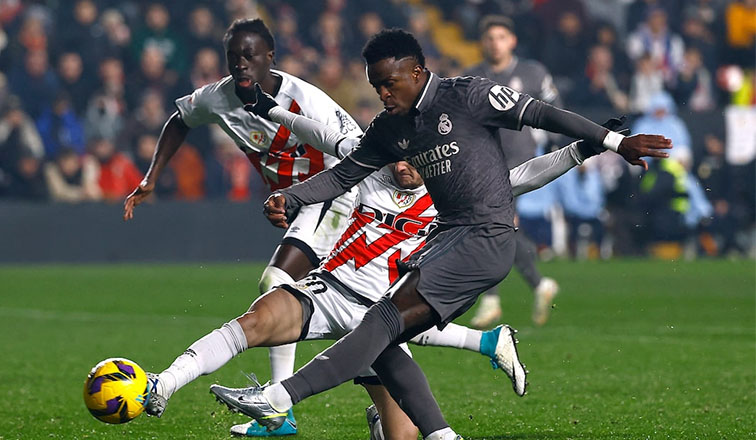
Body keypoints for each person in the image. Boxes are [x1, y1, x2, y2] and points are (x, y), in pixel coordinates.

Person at [213, 29, 671, 440]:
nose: (383, 93)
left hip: (485, 238)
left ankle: (278, 398)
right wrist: (291, 196)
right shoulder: (390, 128)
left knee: (379, 323)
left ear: (417, 72)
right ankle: (441, 434)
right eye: (376, 86)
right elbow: (341, 171)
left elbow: (540, 114)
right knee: (383, 343)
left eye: (390, 83)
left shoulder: (469, 96)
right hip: (446, 240)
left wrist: (608, 143)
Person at [149, 87, 614, 439]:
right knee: (254, 319)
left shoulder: (456, 189)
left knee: (403, 434)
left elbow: (525, 176)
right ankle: (163, 385)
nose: (404, 165)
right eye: (400, 157)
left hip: (385, 320)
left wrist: (581, 149)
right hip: (330, 290)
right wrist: (272, 111)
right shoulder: (371, 161)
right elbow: (320, 133)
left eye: (414, 159)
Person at [122, 18, 363, 435]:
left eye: (249, 56)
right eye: (233, 57)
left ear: (270, 56)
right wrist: (151, 177)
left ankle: (277, 407)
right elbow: (180, 119)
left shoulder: (306, 100)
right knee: (366, 313)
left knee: (279, 283)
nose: (241, 64)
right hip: (298, 205)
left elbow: (354, 154)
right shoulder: (218, 97)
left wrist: (300, 198)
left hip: (339, 195)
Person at [464, 15, 563, 327]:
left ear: (513, 41)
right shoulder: (471, 77)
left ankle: (491, 299)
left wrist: (556, 143)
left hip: (519, 160)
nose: (495, 44)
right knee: (496, 226)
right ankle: (538, 284)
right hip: (482, 160)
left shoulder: (533, 73)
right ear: (482, 43)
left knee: (486, 223)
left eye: (501, 37)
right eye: (490, 38)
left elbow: (555, 108)